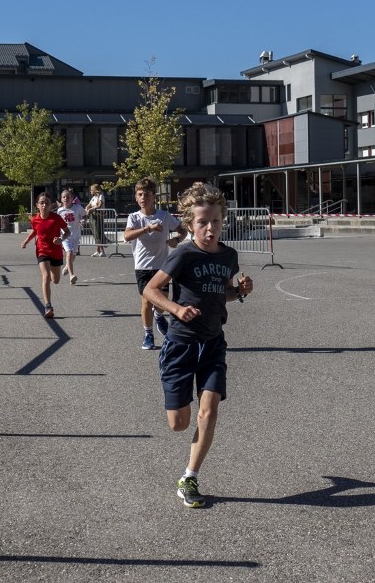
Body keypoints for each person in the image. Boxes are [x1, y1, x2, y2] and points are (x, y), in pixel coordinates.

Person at [143, 182, 253, 508]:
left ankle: (189, 477)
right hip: (180, 344)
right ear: (190, 224)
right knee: (178, 423)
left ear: (223, 221)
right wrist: (176, 309)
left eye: (215, 221)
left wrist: (241, 290)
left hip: (213, 343)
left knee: (209, 412)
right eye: (203, 222)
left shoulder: (229, 256)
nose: (210, 229)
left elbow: (224, 293)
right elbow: (151, 290)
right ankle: (173, 390)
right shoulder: (183, 254)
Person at [124, 177, 187, 350]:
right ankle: (148, 334)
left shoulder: (164, 216)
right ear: (136, 197)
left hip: (162, 266)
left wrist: (176, 240)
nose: (143, 198)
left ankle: (159, 316)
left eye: (146, 194)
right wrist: (147, 228)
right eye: (139, 194)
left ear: (154, 196)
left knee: (162, 301)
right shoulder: (134, 217)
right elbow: (127, 236)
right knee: (146, 302)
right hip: (142, 266)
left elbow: (183, 230)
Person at [21, 192, 70, 318]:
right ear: (37, 205)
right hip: (42, 251)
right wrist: (26, 241)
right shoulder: (35, 219)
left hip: (56, 252)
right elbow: (35, 231)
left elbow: (67, 232)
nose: (44, 205)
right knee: (46, 276)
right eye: (41, 203)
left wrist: (61, 239)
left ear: (51, 205)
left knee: (56, 280)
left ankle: (51, 283)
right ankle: (48, 306)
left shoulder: (56, 218)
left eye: (47, 203)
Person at [56, 189, 85, 284]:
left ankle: (67, 267)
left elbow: (84, 215)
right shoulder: (60, 210)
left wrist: (82, 220)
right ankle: (71, 276)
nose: (66, 199)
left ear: (72, 198)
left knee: (73, 255)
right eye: (64, 197)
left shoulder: (78, 208)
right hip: (65, 236)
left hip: (76, 235)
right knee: (69, 253)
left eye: (68, 197)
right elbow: (57, 223)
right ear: (61, 199)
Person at [84, 183, 107, 256]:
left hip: (98, 216)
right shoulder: (94, 197)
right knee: (94, 233)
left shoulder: (101, 196)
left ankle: (102, 251)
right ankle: (98, 250)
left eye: (91, 190)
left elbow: (100, 205)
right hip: (92, 216)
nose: (90, 191)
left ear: (95, 190)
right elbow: (89, 205)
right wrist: (87, 208)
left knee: (98, 233)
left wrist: (91, 209)